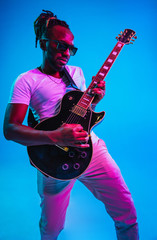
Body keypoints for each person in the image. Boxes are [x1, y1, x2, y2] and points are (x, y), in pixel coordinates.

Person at [3, 10, 139, 240]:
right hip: (53, 158)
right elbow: (10, 129)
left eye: (71, 49)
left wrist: (94, 102)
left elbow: (81, 113)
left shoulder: (76, 73)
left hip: (92, 150)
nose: (67, 53)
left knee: (127, 213)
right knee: (52, 228)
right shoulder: (26, 80)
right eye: (60, 45)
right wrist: (56, 136)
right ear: (43, 43)